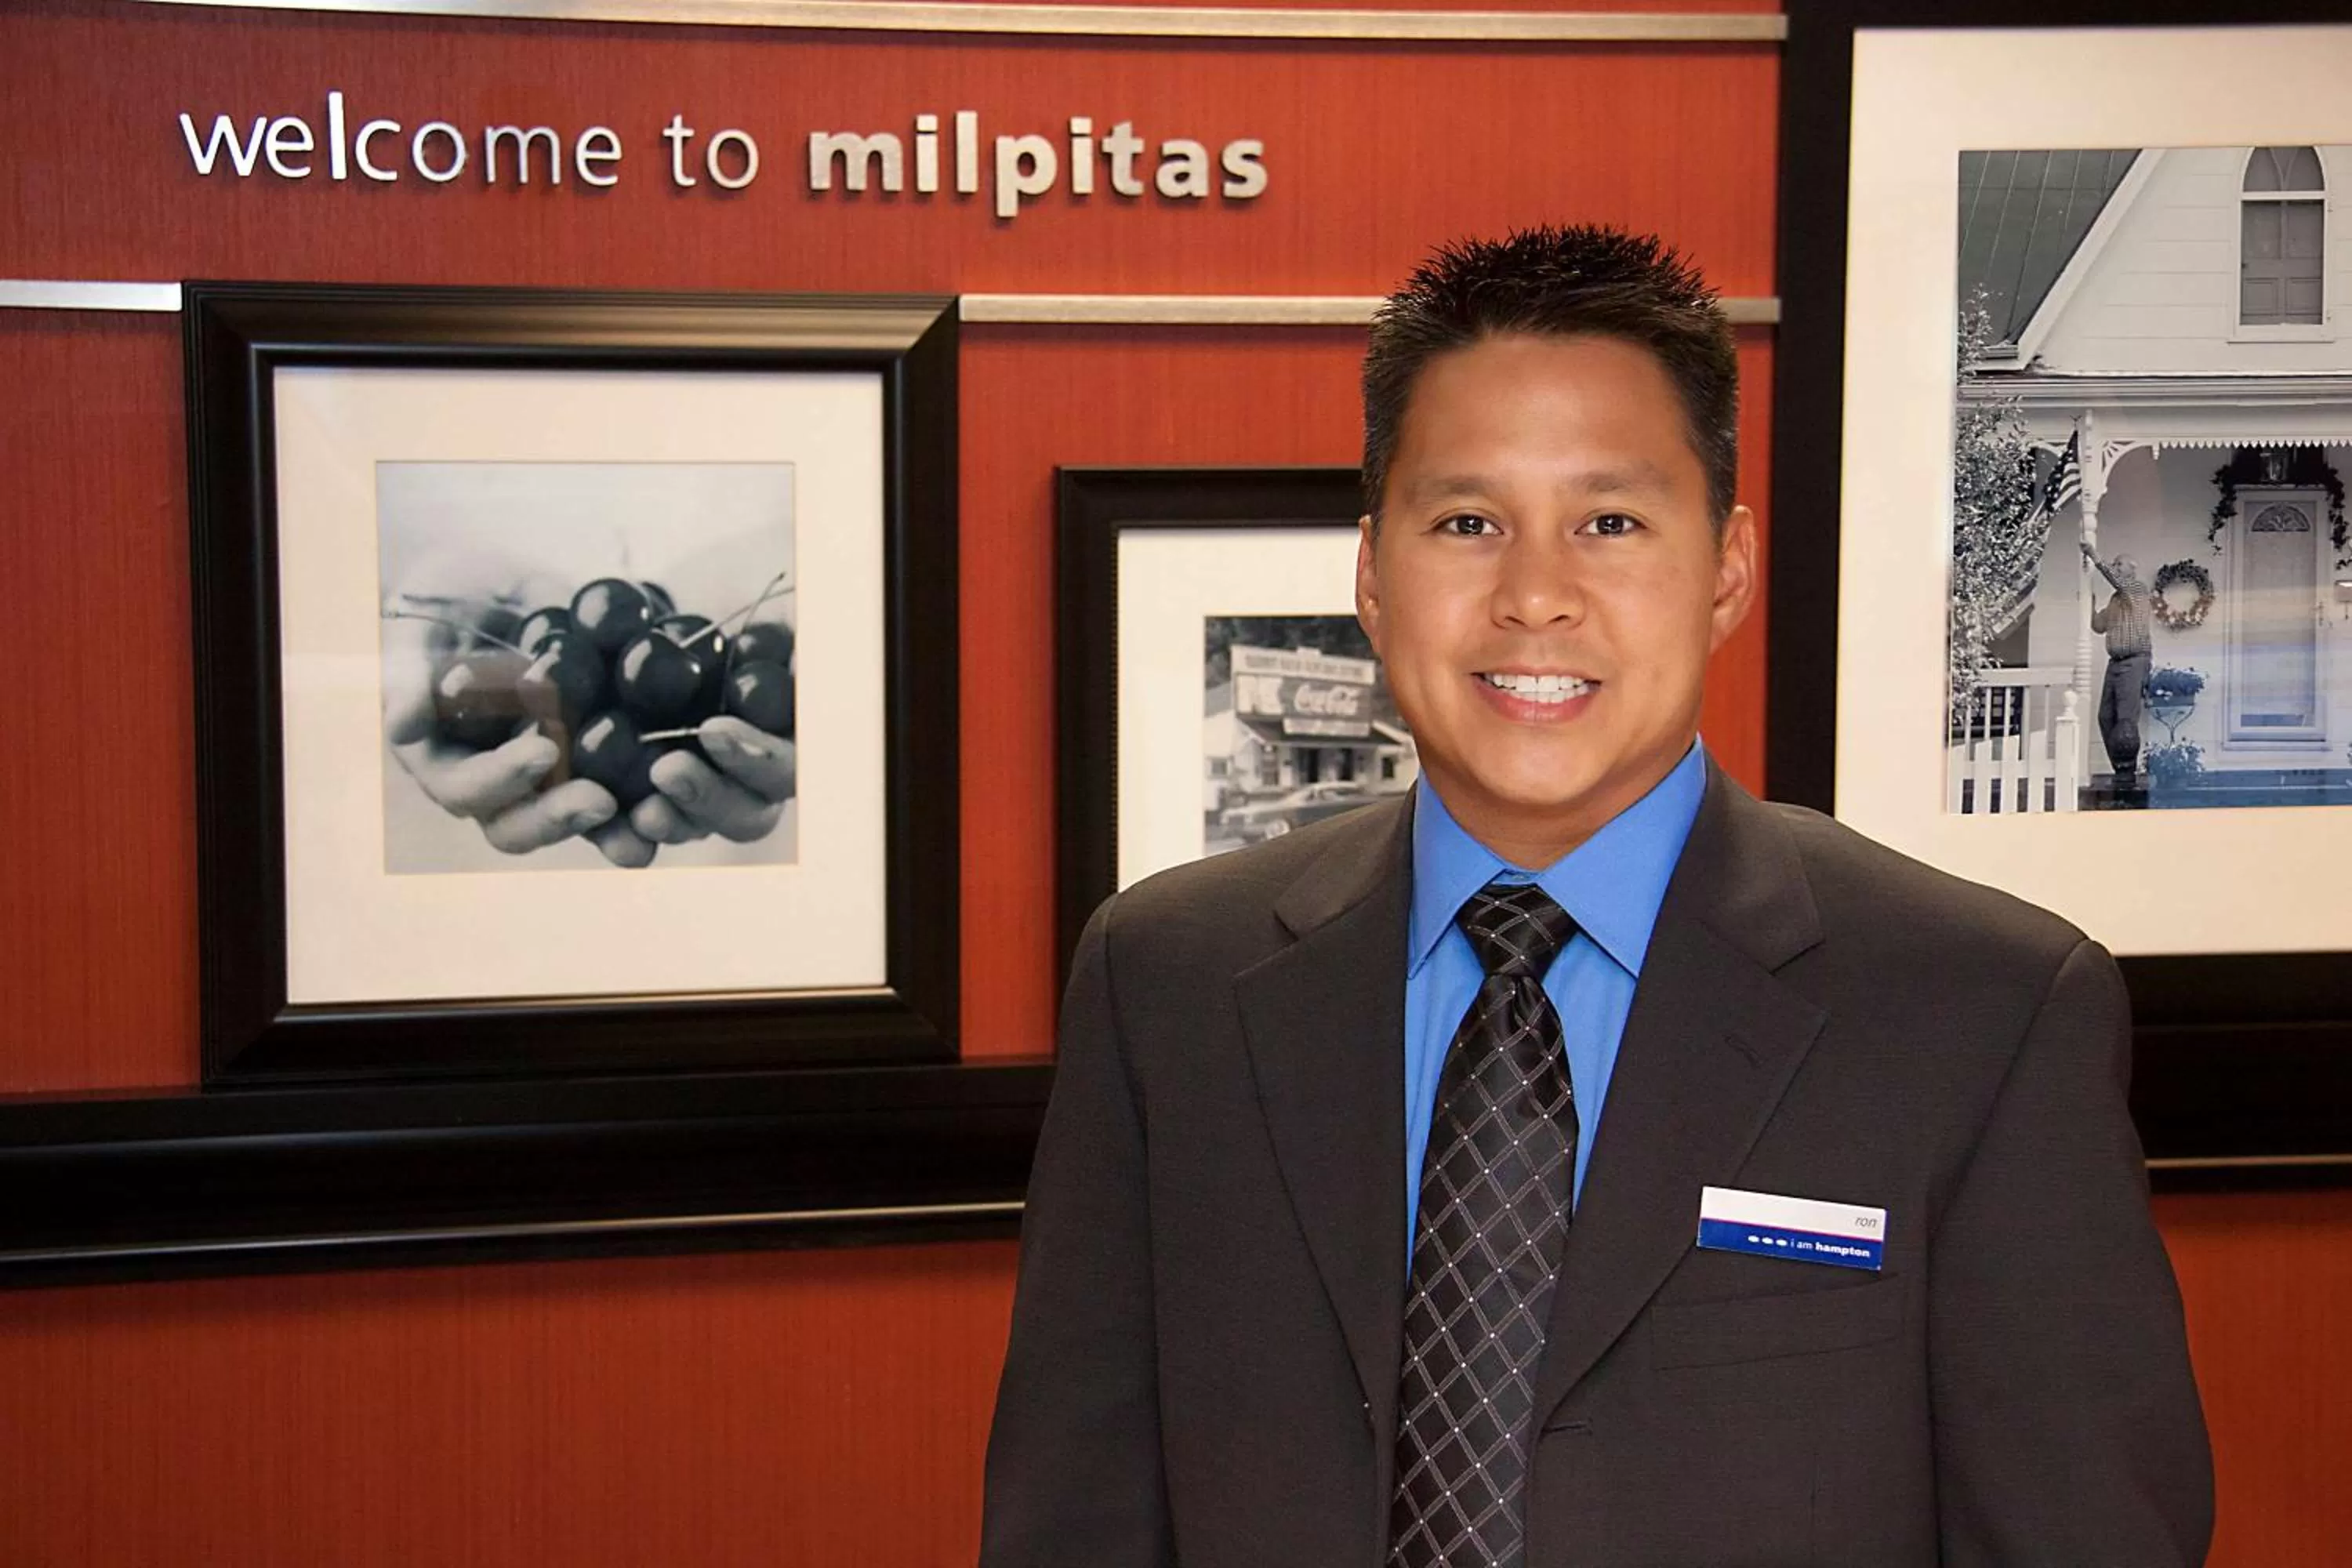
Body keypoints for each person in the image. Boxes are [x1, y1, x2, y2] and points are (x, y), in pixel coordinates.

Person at [980, 226, 2212, 1567]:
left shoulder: (1983, 1013)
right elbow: (1076, 1520)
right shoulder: (1164, 984)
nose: (1535, 598)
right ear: (1372, 576)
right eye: (1467, 523)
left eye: (1610, 522)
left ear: (1728, 569)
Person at [2083, 543, 2154, 792]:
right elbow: (2099, 626)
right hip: (2115, 664)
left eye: (2119, 564)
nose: (2115, 567)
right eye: (2113, 564)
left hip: (2134, 661)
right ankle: (2119, 768)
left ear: (2132, 570)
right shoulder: (2116, 600)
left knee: (2126, 721)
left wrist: (2095, 556)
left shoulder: (2137, 589)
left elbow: (2117, 582)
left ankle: (2127, 775)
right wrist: (2088, 602)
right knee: (2105, 718)